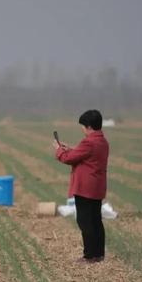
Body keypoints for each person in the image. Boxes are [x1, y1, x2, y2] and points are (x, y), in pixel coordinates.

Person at [53, 110, 109, 263]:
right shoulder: (102, 141)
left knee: (84, 221)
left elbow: (69, 159)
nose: (82, 129)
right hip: (97, 187)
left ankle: (89, 255)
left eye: (83, 126)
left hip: (85, 188)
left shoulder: (88, 142)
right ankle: (99, 254)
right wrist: (69, 148)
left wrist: (59, 150)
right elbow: (85, 156)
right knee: (96, 220)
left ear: (89, 126)